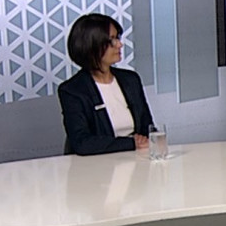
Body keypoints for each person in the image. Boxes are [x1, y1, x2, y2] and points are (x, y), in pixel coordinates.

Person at [58, 13, 154, 155]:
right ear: (92, 46)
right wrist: (131, 143)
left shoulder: (131, 80)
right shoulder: (72, 90)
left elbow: (148, 129)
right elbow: (82, 143)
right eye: (112, 40)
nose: (120, 44)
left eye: (118, 38)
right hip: (97, 164)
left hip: (139, 159)